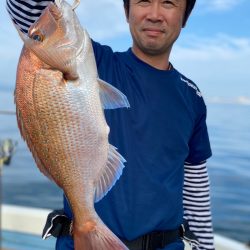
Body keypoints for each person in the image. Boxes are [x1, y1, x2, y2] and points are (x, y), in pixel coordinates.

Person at [6, 0, 215, 249]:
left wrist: (205, 246)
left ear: (185, 17)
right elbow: (30, 11)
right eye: (143, 2)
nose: (155, 15)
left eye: (169, 3)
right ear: (127, 12)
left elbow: (194, 181)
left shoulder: (192, 96)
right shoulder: (97, 62)